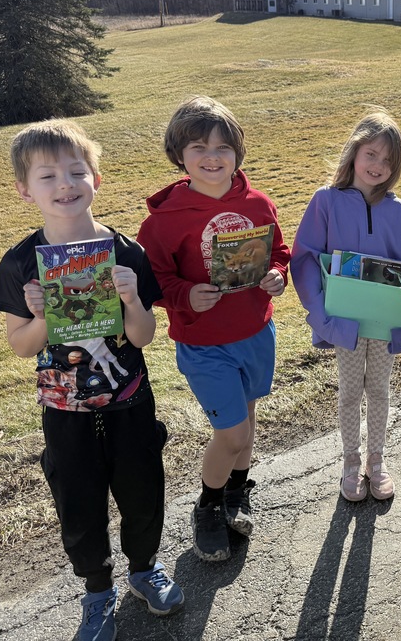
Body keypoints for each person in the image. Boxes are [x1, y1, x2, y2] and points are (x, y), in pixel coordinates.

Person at [0, 120, 183, 641]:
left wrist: (133, 300)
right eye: (47, 176)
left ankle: (143, 569)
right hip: (64, 408)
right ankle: (97, 590)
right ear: (25, 190)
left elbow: (144, 337)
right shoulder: (21, 262)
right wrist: (46, 314)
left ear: (96, 177)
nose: (65, 184)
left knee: (142, 490)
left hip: (129, 398)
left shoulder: (124, 253)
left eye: (76, 171)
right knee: (77, 498)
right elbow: (22, 345)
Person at [137, 96, 291, 563]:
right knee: (231, 434)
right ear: (179, 154)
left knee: (246, 421)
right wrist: (184, 294)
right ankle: (207, 505)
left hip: (255, 332)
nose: (212, 156)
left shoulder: (258, 203)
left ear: (237, 153)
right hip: (204, 342)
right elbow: (153, 281)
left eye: (224, 147)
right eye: (199, 146)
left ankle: (236, 492)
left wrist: (277, 275)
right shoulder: (163, 221)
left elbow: (279, 251)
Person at [291, 109, 401, 501]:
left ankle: (376, 462)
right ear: (354, 153)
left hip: (382, 326)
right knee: (349, 392)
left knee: (379, 391)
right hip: (344, 323)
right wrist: (322, 317)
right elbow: (305, 259)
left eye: (387, 160)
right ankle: (350, 462)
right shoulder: (325, 201)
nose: (378, 166)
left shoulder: (398, 211)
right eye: (371, 155)